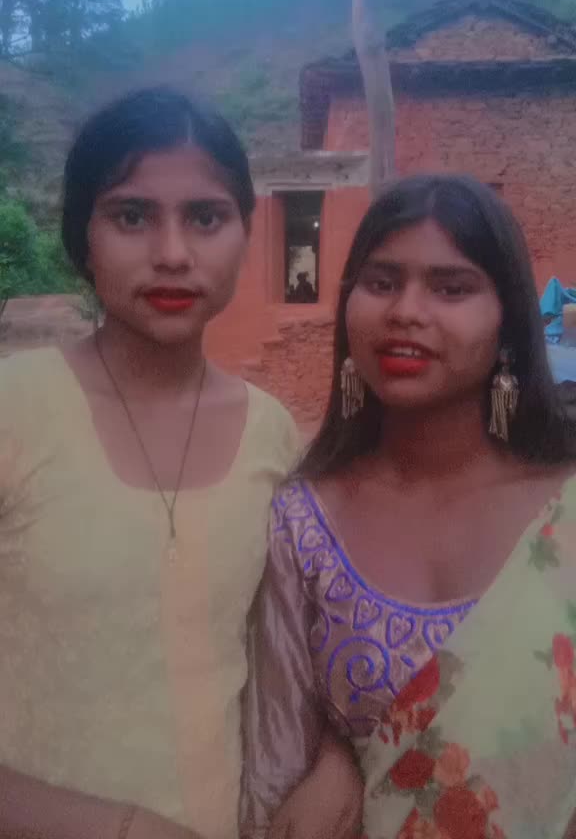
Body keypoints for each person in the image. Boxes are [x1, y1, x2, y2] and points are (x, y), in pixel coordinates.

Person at [0, 87, 307, 839]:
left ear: (246, 233)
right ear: (83, 237)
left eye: (206, 217)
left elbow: (287, 662)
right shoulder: (15, 410)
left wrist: (333, 765)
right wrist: (123, 827)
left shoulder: (271, 435)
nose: (172, 254)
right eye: (132, 216)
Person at [241, 174, 576, 839]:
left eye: (451, 288)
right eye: (382, 281)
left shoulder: (565, 512)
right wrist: (348, 752)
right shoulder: (302, 526)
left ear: (509, 321)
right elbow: (274, 785)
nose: (406, 311)